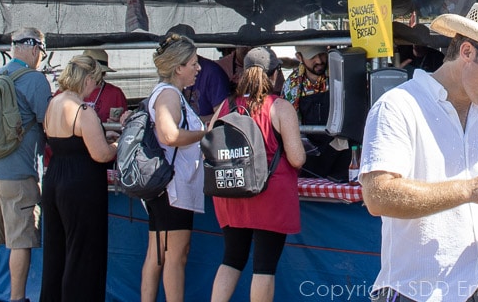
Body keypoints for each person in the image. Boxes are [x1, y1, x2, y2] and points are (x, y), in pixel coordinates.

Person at [359, 2, 478, 302]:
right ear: (467, 52)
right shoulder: (398, 106)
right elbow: (378, 196)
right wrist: (469, 189)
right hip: (417, 291)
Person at [209, 47, 307, 302]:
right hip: (270, 195)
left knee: (231, 259)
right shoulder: (280, 108)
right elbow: (296, 158)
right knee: (264, 267)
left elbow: (208, 146)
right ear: (275, 75)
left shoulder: (224, 106)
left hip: (231, 192)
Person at [0, 27, 53, 302]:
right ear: (35, 49)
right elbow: (51, 124)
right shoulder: (35, 80)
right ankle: (17, 298)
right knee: (20, 240)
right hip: (19, 173)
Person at [40, 54, 117, 302]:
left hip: (54, 179)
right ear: (86, 80)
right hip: (80, 184)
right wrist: (117, 144)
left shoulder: (54, 103)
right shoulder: (83, 110)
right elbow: (102, 154)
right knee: (83, 253)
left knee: (56, 252)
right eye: (95, 80)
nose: (96, 86)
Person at [140, 32, 206, 302]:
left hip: (167, 188)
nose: (198, 68)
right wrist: (205, 134)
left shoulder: (166, 93)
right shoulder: (169, 95)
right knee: (175, 256)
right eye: (193, 64)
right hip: (173, 189)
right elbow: (170, 135)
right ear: (178, 68)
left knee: (157, 254)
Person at [281, 44, 350, 180]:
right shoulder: (292, 84)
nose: (319, 61)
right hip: (311, 156)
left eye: (322, 54)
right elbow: (287, 122)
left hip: (341, 150)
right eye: (312, 57)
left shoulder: (340, 74)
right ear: (299, 57)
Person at [169, 23, 231, 125]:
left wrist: (194, 122)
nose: (198, 68)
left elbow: (222, 116)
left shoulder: (213, 73)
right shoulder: (170, 72)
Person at [80, 47, 128, 123]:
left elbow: (125, 122)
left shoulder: (115, 93)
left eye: (96, 73)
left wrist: (117, 123)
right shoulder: (66, 91)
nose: (91, 77)